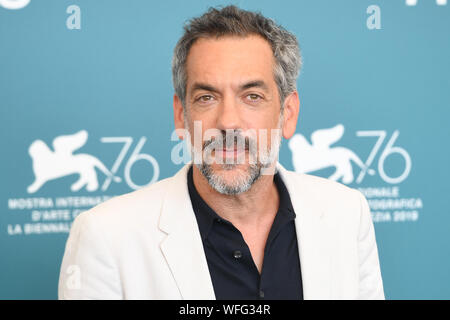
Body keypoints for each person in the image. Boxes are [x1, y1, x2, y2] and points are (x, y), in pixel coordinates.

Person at [58, 5, 384, 300]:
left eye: (252, 96)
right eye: (207, 97)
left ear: (287, 113)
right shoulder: (106, 236)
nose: (228, 122)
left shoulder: (346, 213)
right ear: (180, 115)